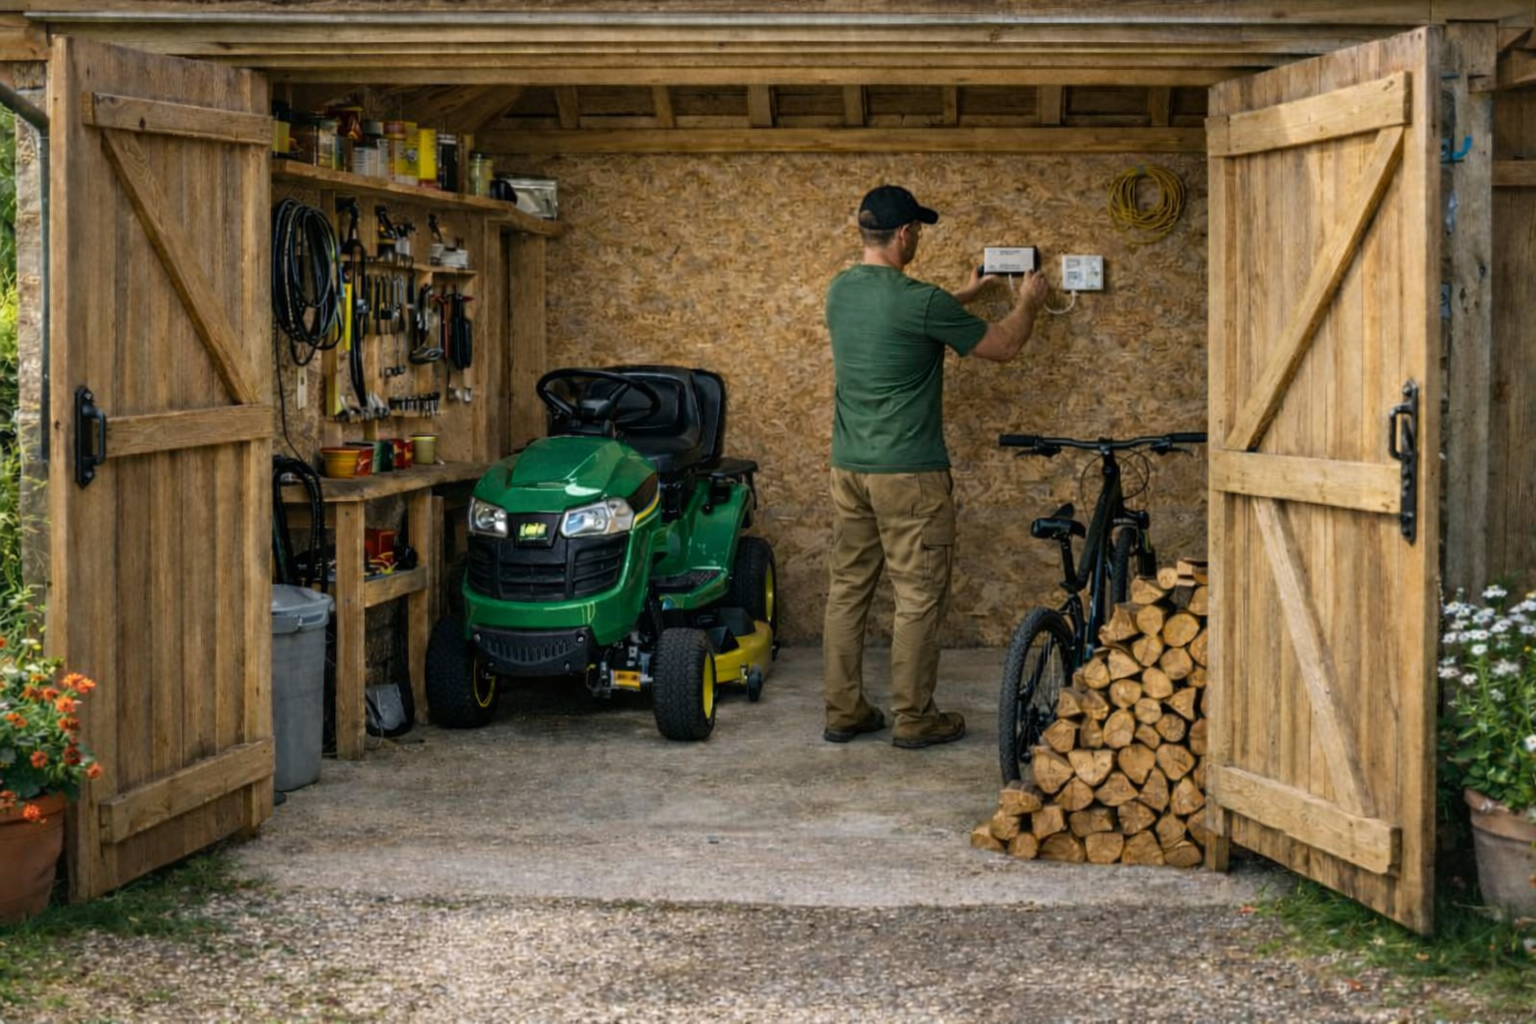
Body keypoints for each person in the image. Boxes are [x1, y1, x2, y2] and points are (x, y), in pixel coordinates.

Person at [821, 184, 1049, 748]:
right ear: (904, 235)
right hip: (909, 476)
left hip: (849, 469)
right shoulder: (921, 301)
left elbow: (899, 318)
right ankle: (915, 718)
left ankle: (843, 711)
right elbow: (1003, 347)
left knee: (848, 589)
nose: (917, 237)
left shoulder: (841, 291)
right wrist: (1028, 302)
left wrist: (964, 296)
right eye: (917, 230)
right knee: (918, 596)